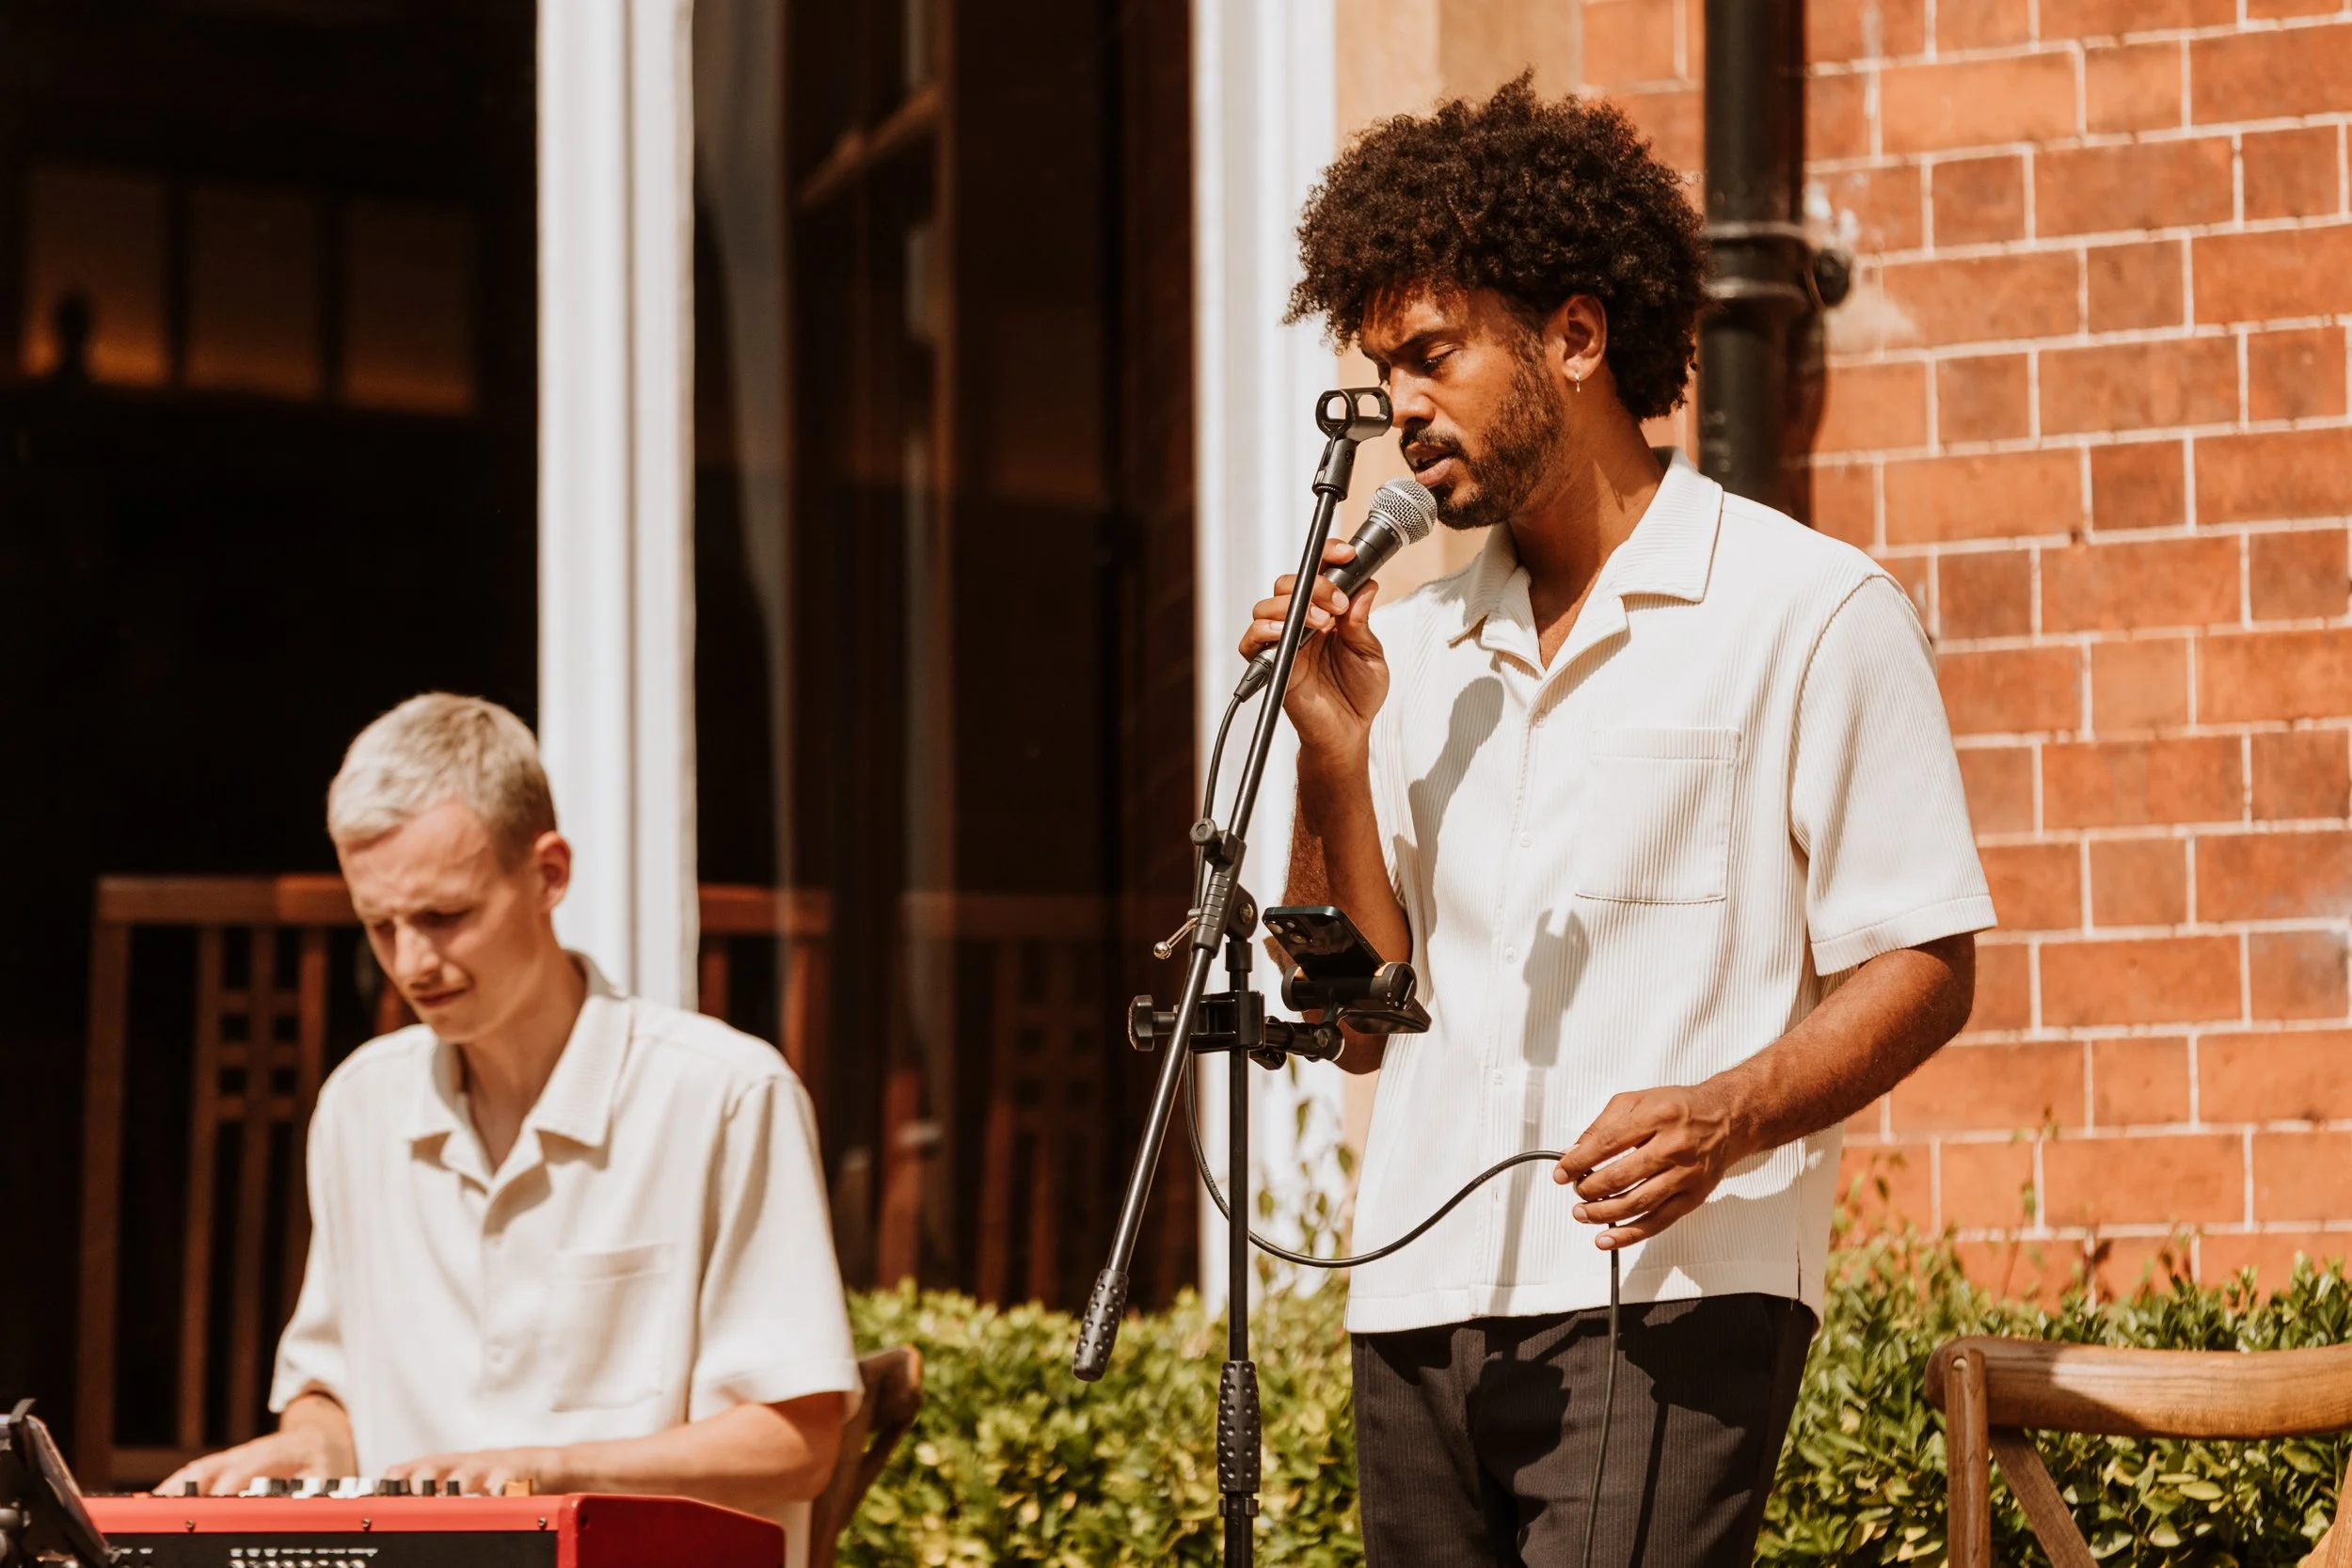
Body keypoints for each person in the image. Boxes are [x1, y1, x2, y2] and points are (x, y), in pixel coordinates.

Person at [1243, 79, 1993, 1567]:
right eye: (1384, 368)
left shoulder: (1808, 609)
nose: (1402, 409)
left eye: (1432, 355)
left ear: (1576, 338)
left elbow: (1925, 960)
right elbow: (1356, 1020)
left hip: (1669, 1299)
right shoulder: (1423, 643)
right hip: (1413, 1300)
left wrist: (1727, 1113)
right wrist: (1332, 755)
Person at [160, 694, 858, 1568]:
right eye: (380, 926)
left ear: (548, 874)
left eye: (445, 916)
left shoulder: (723, 1093)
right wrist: (309, 1451)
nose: (412, 961)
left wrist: (542, 1473)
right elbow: (329, 1391)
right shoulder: (359, 1106)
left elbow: (799, 1440)